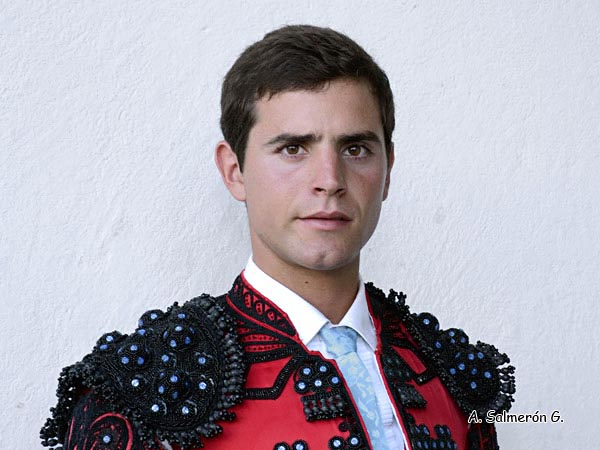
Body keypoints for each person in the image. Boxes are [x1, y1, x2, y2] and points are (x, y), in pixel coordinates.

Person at [41, 25, 515, 450]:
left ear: (387, 170)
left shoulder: (456, 372)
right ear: (234, 171)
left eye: (355, 148)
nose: (329, 180)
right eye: (293, 148)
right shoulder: (142, 388)